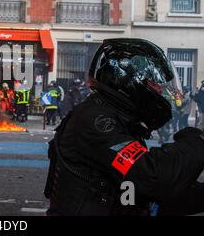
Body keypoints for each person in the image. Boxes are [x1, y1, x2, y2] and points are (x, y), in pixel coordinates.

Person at [44, 38, 204, 216]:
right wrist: (197, 142)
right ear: (127, 79)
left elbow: (140, 194)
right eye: (153, 82)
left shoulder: (119, 119)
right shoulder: (96, 120)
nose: (159, 89)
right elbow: (153, 176)